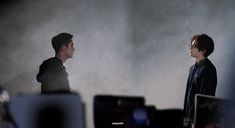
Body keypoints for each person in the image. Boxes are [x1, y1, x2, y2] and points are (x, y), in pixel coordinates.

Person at [183, 34, 217, 128]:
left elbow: (207, 98)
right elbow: (188, 94)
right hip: (188, 118)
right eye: (191, 45)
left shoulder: (208, 69)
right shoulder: (192, 68)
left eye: (194, 46)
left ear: (203, 51)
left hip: (198, 121)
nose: (191, 48)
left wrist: (198, 121)